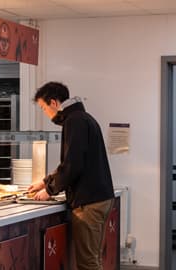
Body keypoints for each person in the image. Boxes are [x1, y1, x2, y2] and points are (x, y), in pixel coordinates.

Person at [28, 82, 114, 270]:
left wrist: (49, 190)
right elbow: (71, 163)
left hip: (89, 202)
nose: (45, 113)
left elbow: (73, 165)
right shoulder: (82, 118)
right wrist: (44, 182)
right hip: (97, 197)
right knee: (92, 259)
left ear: (53, 102)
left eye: (43, 108)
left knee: (88, 263)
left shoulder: (74, 121)